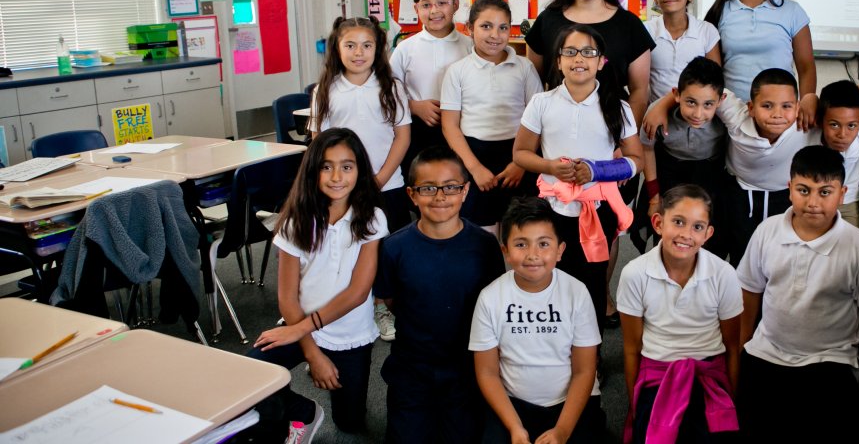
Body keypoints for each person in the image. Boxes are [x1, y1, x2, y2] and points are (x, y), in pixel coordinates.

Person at [736, 146, 859, 440]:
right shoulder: (767, 231)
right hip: (767, 351)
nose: (813, 202)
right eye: (804, 190)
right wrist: (741, 351)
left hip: (830, 360)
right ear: (789, 188)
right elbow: (750, 292)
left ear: (842, 194)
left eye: (825, 192)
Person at [248, 128, 387, 442]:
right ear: (313, 171)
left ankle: (332, 403)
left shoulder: (373, 218)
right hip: (299, 326)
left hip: (351, 337)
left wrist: (300, 332)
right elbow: (287, 297)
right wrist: (311, 352)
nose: (337, 176)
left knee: (350, 423)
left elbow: (358, 292)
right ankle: (302, 413)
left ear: (359, 171)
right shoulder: (296, 221)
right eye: (326, 166)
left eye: (347, 166)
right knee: (249, 375)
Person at [373, 146, 507, 443]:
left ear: (465, 190)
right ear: (411, 194)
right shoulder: (394, 248)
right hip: (412, 369)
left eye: (450, 187)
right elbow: (391, 301)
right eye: (428, 188)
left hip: (467, 367)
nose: (440, 197)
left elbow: (495, 303)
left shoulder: (484, 245)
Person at [514, 24, 644, 327]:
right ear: (558, 61)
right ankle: (554, 346)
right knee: (549, 276)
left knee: (592, 282)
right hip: (551, 209)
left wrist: (597, 170)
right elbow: (520, 153)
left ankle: (591, 355)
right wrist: (550, 167)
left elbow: (636, 159)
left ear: (601, 61)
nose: (578, 59)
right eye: (570, 52)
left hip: (596, 210)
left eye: (588, 52)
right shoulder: (542, 103)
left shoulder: (618, 108)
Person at [645, 67, 819, 266]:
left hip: (784, 197)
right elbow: (701, 91)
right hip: (740, 194)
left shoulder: (807, 124)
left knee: (782, 256)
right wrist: (662, 105)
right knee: (739, 254)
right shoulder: (737, 116)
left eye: (786, 106)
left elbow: (843, 111)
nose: (777, 114)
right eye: (767, 106)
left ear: (798, 107)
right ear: (751, 107)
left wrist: (812, 97)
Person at [469, 197, 606, 444]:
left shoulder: (577, 292)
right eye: (521, 244)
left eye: (543, 244)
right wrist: (514, 427)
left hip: (570, 403)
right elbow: (487, 372)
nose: (533, 255)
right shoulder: (490, 298)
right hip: (513, 405)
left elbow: (585, 370)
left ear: (560, 250)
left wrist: (562, 431)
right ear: (506, 251)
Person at [309, 16, 410, 343]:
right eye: (349, 45)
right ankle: (344, 311)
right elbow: (318, 143)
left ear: (378, 48)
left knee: (382, 250)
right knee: (343, 250)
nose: (358, 52)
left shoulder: (390, 86)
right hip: (340, 190)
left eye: (367, 45)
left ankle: (381, 307)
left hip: (387, 185)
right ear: (337, 49)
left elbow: (402, 137)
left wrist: (379, 179)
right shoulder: (325, 90)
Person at [616, 185, 742, 443]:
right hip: (657, 372)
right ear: (658, 223)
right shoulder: (634, 273)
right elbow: (631, 348)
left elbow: (732, 346)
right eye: (678, 222)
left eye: (697, 227)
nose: (686, 234)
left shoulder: (724, 273)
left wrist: (731, 398)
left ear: (708, 234)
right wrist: (635, 405)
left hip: (709, 371)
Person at [524, 0, 655, 124]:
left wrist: (624, 139)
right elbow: (535, 85)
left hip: (613, 128)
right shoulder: (547, 20)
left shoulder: (629, 24)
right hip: (557, 127)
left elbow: (640, 92)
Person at [441, 0, 542, 233]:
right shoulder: (458, 71)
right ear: (470, 28)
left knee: (521, 232)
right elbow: (450, 126)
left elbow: (538, 118)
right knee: (483, 235)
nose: (495, 35)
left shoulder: (524, 67)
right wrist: (474, 168)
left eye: (503, 27)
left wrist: (521, 163)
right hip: (474, 156)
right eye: (486, 26)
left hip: (517, 155)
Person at [703, 0, 817, 128]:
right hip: (731, 115)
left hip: (779, 115)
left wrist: (807, 99)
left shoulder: (792, 11)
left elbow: (806, 67)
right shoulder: (718, 13)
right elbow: (712, 72)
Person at [640, 57, 728, 253]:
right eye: (690, 102)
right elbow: (647, 150)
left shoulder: (726, 120)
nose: (698, 114)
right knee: (668, 235)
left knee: (708, 240)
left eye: (707, 105)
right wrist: (654, 198)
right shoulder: (656, 116)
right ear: (676, 95)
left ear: (720, 101)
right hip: (670, 176)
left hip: (709, 177)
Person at [389, 0, 472, 180]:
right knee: (423, 184)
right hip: (419, 132)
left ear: (455, 5)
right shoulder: (405, 49)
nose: (434, 11)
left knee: (458, 183)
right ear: (417, 9)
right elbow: (387, 94)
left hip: (463, 131)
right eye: (426, 5)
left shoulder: (470, 46)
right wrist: (415, 107)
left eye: (442, 3)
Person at [644, 0, 721, 101]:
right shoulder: (646, 31)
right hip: (656, 115)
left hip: (699, 114)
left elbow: (715, 80)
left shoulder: (706, 31)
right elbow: (639, 82)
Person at [817, 80, 859, 228]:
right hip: (813, 201)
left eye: (851, 126)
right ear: (819, 121)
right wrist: (809, 98)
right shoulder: (806, 136)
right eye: (834, 125)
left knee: (849, 246)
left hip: (848, 203)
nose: (842, 134)